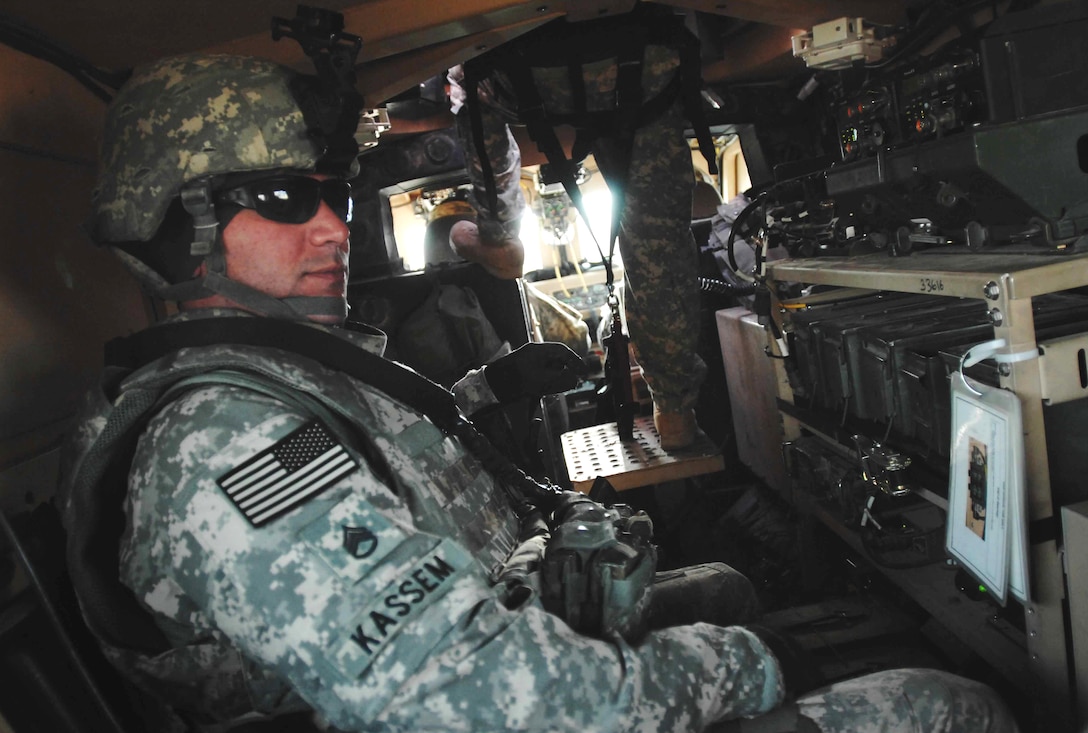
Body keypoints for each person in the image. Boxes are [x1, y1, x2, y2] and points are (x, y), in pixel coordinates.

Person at [58, 53, 1019, 733]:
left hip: (507, 619)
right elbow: (475, 702)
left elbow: (390, 474)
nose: (333, 229)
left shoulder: (268, 376)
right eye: (281, 199)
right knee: (955, 707)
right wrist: (748, 672)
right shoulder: (226, 439)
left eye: (332, 195)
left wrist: (487, 389)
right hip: (506, 697)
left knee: (725, 585)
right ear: (174, 228)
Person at [447, 5, 711, 450]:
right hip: (645, 59)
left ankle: (500, 233)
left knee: (464, 84)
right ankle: (675, 411)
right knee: (659, 250)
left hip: (523, 66)